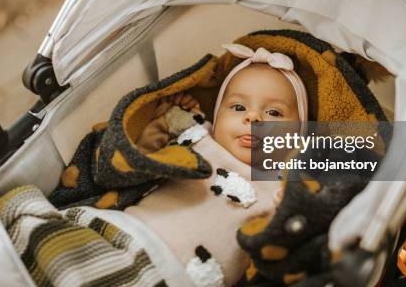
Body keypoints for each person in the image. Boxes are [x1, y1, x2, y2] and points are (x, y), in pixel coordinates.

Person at [128, 43, 309, 285]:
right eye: (238, 107)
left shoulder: (283, 189)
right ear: (217, 115)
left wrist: (291, 212)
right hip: (132, 232)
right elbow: (142, 157)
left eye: (274, 113)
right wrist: (167, 116)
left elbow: (282, 255)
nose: (253, 117)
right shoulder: (198, 136)